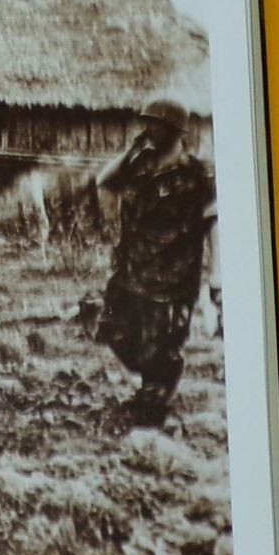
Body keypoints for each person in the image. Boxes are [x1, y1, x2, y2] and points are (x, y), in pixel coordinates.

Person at [94, 94, 217, 427]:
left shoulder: (197, 174)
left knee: (162, 346)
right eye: (145, 122)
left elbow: (212, 222)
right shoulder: (139, 163)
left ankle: (153, 406)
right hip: (132, 269)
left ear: (173, 129)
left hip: (173, 277)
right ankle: (151, 387)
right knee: (113, 329)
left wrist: (215, 276)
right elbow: (102, 181)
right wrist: (131, 151)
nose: (146, 128)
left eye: (153, 124)